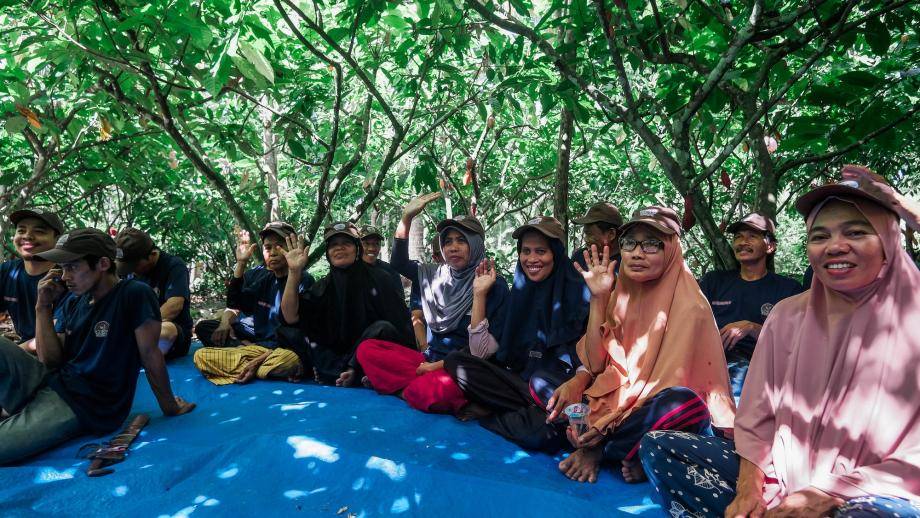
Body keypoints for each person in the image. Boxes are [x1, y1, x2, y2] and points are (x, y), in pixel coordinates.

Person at [639, 168, 920, 517]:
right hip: (780, 477)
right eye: (820, 236)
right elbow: (757, 415)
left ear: (889, 241)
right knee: (661, 447)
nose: (835, 246)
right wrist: (748, 489)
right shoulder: (789, 314)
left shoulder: (913, 313)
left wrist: (904, 208)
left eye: (857, 232)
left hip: (875, 491)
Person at [555, 206, 736, 484]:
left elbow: (666, 387)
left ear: (672, 249)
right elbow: (595, 363)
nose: (637, 253)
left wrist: (604, 427)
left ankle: (601, 448)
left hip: (660, 408)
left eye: (652, 244)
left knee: (680, 404)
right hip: (618, 401)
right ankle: (635, 452)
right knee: (547, 386)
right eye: (630, 243)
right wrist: (599, 299)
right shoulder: (622, 294)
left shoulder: (691, 306)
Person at [0, 228, 194, 464]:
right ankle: (16, 411)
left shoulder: (133, 294)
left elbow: (150, 354)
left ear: (103, 264)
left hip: (85, 404)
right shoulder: (74, 298)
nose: (64, 276)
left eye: (72, 267)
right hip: (53, 381)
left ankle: (17, 414)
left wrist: (169, 405)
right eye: (62, 268)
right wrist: (42, 307)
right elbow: (50, 360)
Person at [444, 216, 590, 451]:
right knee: (456, 362)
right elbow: (481, 353)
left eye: (541, 251)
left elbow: (591, 358)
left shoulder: (578, 293)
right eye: (526, 251)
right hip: (520, 384)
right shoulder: (519, 293)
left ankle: (498, 413)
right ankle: (527, 414)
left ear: (555, 253)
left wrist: (577, 381)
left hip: (559, 390)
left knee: (541, 432)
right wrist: (479, 294)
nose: (532, 259)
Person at [355, 193, 509, 414]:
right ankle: (411, 387)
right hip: (427, 360)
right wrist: (406, 217)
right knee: (367, 349)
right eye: (447, 242)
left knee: (436, 390)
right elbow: (398, 262)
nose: (452, 247)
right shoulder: (434, 274)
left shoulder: (494, 284)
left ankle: (400, 387)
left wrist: (436, 367)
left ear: (475, 244)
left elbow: (482, 353)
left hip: (461, 369)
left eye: (461, 240)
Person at [279, 222, 414, 386]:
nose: (339, 248)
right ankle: (345, 372)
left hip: (367, 352)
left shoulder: (380, 278)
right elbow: (290, 317)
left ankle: (345, 371)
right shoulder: (323, 286)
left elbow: (400, 325)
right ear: (328, 253)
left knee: (382, 329)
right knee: (288, 333)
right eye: (334, 245)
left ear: (357, 249)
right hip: (335, 354)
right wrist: (294, 272)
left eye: (346, 243)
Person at [193, 222, 314, 385]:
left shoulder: (303, 280)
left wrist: (256, 358)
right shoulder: (266, 279)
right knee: (201, 354)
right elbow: (235, 302)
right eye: (268, 248)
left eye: (279, 246)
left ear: (292, 249)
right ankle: (252, 364)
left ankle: (246, 362)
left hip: (284, 350)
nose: (272, 253)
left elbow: (296, 335)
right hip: (257, 346)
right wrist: (241, 264)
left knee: (289, 361)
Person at [698, 213, 803, 397]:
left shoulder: (789, 290)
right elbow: (692, 324)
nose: (742, 242)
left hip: (760, 369)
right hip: (709, 363)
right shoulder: (713, 282)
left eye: (751, 236)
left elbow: (797, 343)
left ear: (770, 246)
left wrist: (752, 328)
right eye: (738, 236)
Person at [115, 228, 194, 359]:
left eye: (134, 266)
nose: (132, 271)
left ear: (151, 254)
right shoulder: (128, 271)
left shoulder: (174, 266)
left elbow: (174, 306)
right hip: (135, 333)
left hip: (171, 332)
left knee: (166, 330)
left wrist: (135, 328)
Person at [0, 209, 70, 353]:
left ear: (57, 239)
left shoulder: (67, 278)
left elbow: (53, 340)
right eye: (21, 230)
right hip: (22, 351)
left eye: (39, 231)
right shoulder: (7, 271)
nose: (27, 236)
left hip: (55, 358)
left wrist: (11, 353)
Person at [571, 202, 623, 272]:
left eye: (590, 234)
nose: (586, 239)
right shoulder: (580, 257)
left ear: (611, 234)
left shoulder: (628, 263)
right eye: (585, 234)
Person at [359, 224, 403, 294]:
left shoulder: (389, 270)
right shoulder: (350, 270)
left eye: (376, 244)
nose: (371, 248)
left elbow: (399, 300)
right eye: (366, 244)